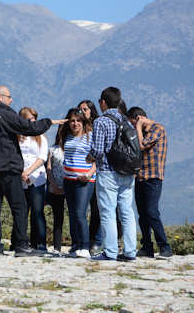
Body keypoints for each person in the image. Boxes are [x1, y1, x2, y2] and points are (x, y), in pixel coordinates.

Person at [0, 85, 65, 256]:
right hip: (8, 168)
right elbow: (29, 128)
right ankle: (21, 245)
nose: (11, 100)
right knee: (19, 207)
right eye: (8, 96)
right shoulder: (6, 114)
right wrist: (48, 122)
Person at [87, 87, 137, 261]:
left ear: (103, 102)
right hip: (127, 172)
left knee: (108, 212)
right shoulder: (126, 120)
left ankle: (110, 251)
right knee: (127, 212)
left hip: (108, 172)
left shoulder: (101, 121)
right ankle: (130, 251)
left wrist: (89, 158)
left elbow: (98, 151)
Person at [127, 107, 172, 258]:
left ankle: (164, 247)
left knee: (152, 212)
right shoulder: (142, 132)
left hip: (153, 178)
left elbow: (142, 145)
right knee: (142, 215)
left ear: (139, 118)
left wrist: (138, 128)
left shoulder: (158, 129)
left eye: (134, 123)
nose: (134, 127)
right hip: (140, 177)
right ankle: (147, 247)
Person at [61, 108, 96, 258]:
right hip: (68, 180)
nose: (75, 123)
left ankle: (85, 246)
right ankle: (75, 245)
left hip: (85, 181)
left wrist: (88, 174)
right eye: (72, 121)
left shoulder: (90, 137)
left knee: (81, 213)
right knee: (73, 214)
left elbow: (98, 159)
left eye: (78, 121)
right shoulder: (67, 137)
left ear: (83, 122)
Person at [17, 107, 48, 253]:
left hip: (37, 178)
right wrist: (22, 173)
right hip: (20, 178)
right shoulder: (17, 136)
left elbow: (42, 157)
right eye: (30, 119)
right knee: (21, 211)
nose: (33, 121)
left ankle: (40, 243)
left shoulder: (41, 137)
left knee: (37, 211)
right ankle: (19, 241)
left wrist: (29, 172)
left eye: (35, 118)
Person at [78, 99, 102, 254]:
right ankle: (85, 239)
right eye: (80, 109)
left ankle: (97, 240)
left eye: (85, 109)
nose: (82, 112)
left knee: (97, 208)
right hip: (82, 172)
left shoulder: (97, 126)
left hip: (97, 172)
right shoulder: (79, 128)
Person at [46, 125, 66, 254]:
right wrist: (53, 184)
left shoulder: (72, 148)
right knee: (58, 216)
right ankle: (56, 246)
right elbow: (48, 167)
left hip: (70, 186)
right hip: (55, 186)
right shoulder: (52, 149)